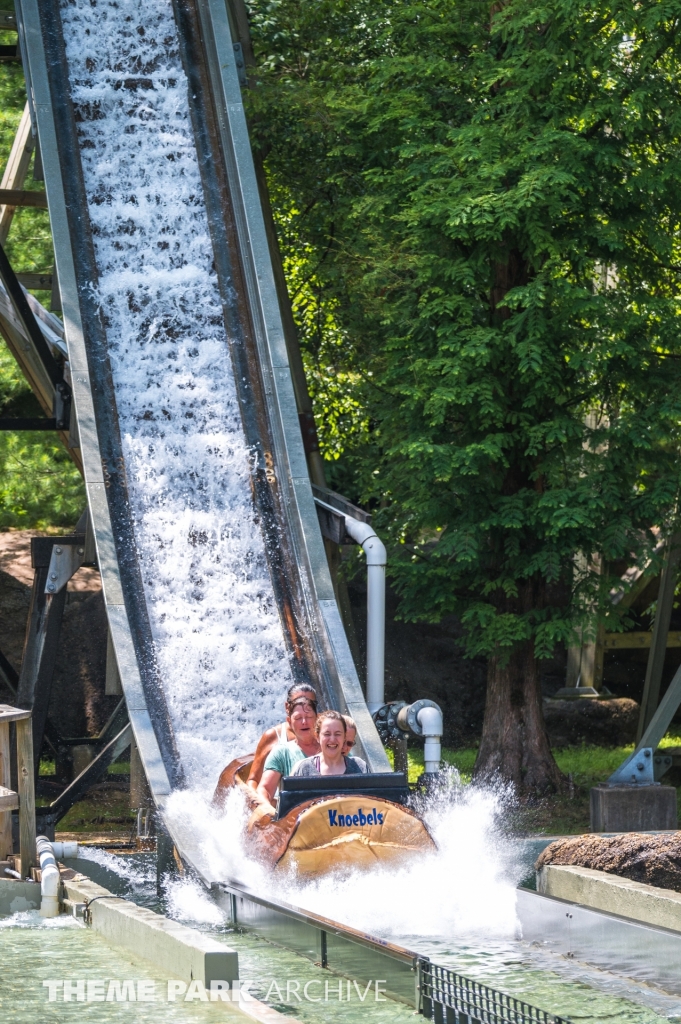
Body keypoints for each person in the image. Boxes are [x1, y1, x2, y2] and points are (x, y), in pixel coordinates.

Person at [246, 684, 317, 791]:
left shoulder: (329, 734)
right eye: (298, 702)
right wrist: (263, 799)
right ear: (287, 707)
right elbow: (253, 780)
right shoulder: (273, 737)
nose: (304, 705)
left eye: (311, 703)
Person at [257, 693, 320, 805]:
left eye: (309, 717)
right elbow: (265, 789)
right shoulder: (281, 752)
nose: (304, 722)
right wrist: (266, 808)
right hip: (295, 813)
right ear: (289, 721)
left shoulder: (332, 747)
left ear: (317, 718)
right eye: (298, 718)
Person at [292, 710, 367, 777]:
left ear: (344, 737)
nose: (332, 739)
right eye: (327, 734)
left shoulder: (359, 767)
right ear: (317, 737)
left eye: (337, 734)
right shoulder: (305, 769)